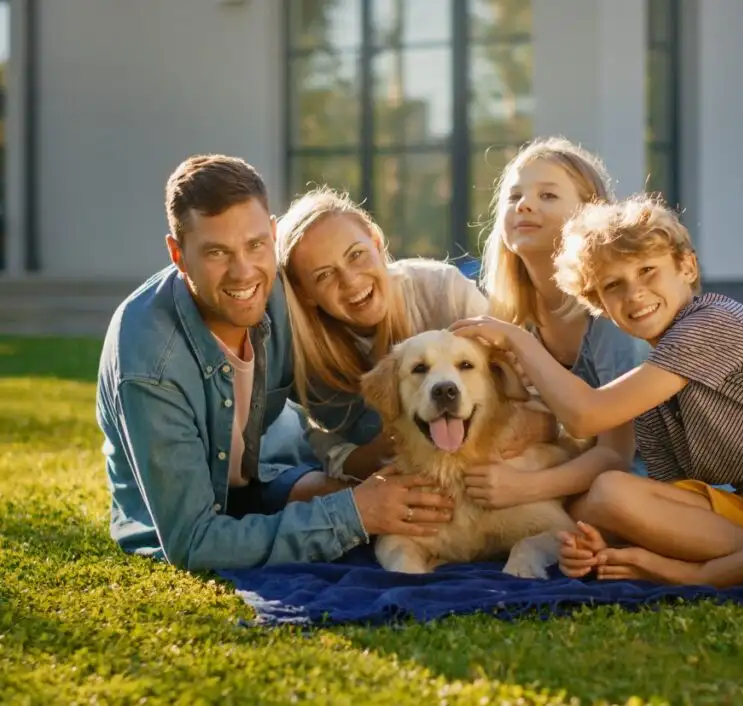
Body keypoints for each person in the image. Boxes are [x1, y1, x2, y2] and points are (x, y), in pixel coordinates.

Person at [451, 194, 743, 602]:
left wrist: (516, 339)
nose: (635, 294)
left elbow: (585, 415)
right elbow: (659, 494)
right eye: (613, 286)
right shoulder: (652, 384)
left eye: (648, 271)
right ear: (600, 305)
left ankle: (714, 576)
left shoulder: (716, 322)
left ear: (687, 267)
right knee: (604, 497)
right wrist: (591, 545)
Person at [96, 155, 453, 570]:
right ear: (178, 253)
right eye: (216, 252)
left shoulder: (286, 297)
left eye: (255, 245)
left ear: (272, 233)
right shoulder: (150, 361)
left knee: (408, 501)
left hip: (268, 478)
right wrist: (356, 513)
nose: (243, 272)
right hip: (197, 519)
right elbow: (194, 541)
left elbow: (358, 419)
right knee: (365, 509)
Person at [458, 136, 650, 511]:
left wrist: (522, 488)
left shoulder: (611, 316)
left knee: (594, 505)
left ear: (590, 215)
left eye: (548, 196)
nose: (525, 205)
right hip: (569, 475)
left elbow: (617, 455)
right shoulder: (513, 317)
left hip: (640, 482)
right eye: (514, 198)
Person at [275, 186, 491, 478]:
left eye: (356, 255)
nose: (350, 281)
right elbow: (323, 447)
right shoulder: (307, 355)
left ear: (376, 243)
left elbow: (516, 381)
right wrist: (381, 452)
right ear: (306, 294)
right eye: (324, 275)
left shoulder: (444, 290)